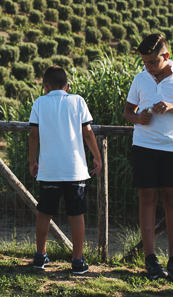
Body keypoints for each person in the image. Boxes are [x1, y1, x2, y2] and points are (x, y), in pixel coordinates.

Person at [123, 33, 173, 282]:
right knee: (147, 199)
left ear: (166, 56)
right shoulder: (140, 78)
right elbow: (128, 111)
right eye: (144, 62)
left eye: (151, 62)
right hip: (144, 147)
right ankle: (151, 260)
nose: (147, 67)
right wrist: (138, 118)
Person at [29, 66, 102, 274]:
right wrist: (97, 157)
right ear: (67, 86)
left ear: (45, 86)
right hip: (75, 169)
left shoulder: (39, 103)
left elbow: (34, 136)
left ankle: (40, 256)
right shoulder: (77, 101)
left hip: (49, 168)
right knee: (76, 214)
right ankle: (77, 261)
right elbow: (87, 132)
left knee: (44, 213)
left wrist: (32, 160)